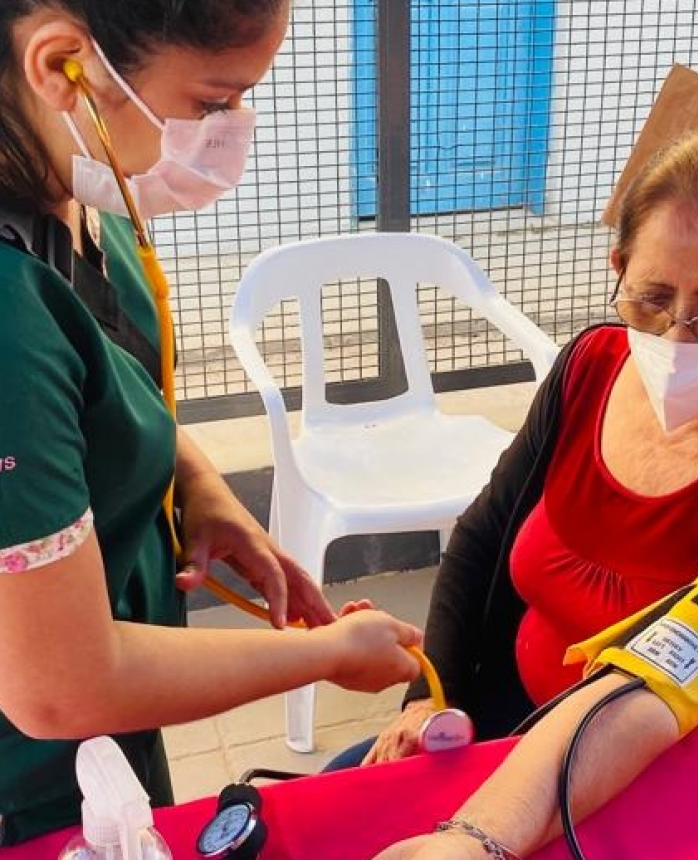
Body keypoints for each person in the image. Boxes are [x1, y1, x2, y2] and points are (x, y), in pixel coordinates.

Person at [367, 131, 698, 859]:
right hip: (516, 731)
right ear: (618, 267)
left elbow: (664, 674)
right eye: (652, 298)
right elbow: (483, 533)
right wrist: (433, 696)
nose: (676, 336)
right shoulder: (594, 365)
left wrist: (479, 837)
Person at [0, 0, 423, 845]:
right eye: (215, 101)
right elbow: (58, 684)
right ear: (61, 67)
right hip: (30, 780)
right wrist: (328, 657)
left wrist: (200, 489)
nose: (233, 131)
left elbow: (113, 390)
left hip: (110, 726)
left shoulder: (82, 191)